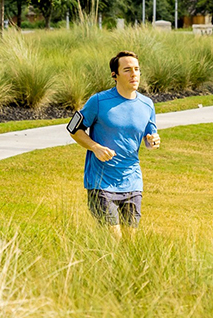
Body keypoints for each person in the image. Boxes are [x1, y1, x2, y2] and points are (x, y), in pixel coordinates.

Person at [68, 51, 160, 238]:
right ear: (114, 75)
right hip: (101, 182)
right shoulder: (99, 101)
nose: (134, 74)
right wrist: (95, 147)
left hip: (132, 181)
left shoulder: (147, 105)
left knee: (129, 243)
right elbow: (73, 128)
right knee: (113, 239)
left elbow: (150, 137)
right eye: (127, 70)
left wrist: (153, 142)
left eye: (136, 69)